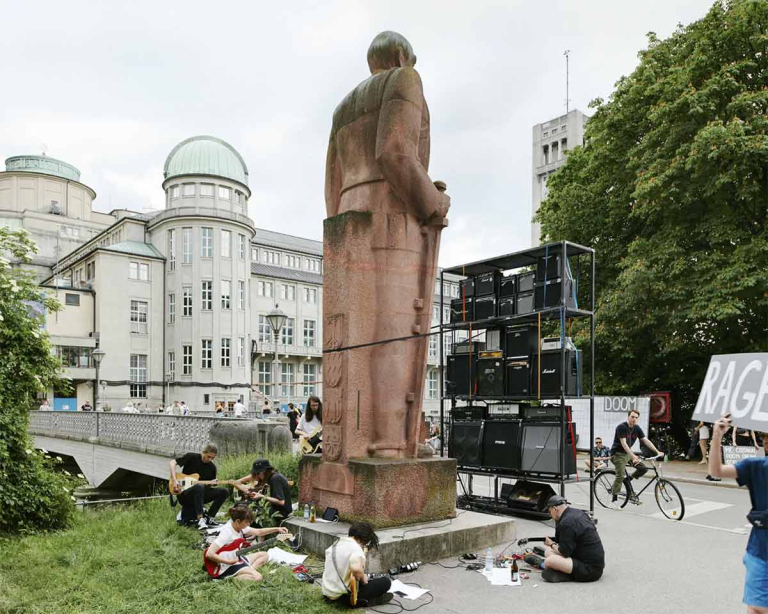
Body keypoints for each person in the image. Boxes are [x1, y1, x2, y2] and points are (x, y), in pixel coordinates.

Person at [709, 415, 768, 614]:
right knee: (757, 608)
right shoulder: (756, 466)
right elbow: (716, 471)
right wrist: (717, 436)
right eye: (765, 437)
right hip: (761, 552)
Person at [524, 495, 605, 583]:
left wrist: (551, 544)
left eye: (549, 511)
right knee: (548, 552)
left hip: (589, 570)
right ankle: (555, 567)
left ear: (555, 509)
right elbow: (567, 541)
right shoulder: (577, 513)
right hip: (590, 561)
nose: (550, 514)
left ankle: (546, 566)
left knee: (549, 561)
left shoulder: (566, 523)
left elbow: (564, 552)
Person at [205, 505, 289, 581]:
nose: (248, 524)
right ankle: (230, 578)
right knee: (258, 577)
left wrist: (277, 529)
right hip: (225, 566)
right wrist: (228, 562)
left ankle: (248, 569)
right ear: (238, 521)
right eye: (247, 522)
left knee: (264, 555)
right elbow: (209, 554)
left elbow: (259, 532)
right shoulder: (227, 533)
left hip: (236, 559)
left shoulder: (240, 527)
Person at [322, 522, 393, 607]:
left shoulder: (335, 544)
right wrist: (363, 578)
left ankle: (366, 600)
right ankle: (364, 601)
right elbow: (356, 569)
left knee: (361, 582)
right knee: (386, 582)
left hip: (327, 593)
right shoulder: (356, 548)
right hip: (343, 597)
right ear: (362, 540)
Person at [609, 408, 662, 510]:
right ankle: (613, 500)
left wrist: (657, 451)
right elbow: (624, 444)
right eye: (632, 417)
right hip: (617, 454)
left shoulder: (636, 428)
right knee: (620, 475)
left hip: (628, 454)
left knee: (643, 468)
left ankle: (627, 480)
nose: (634, 419)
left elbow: (645, 441)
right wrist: (633, 457)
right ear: (628, 417)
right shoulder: (621, 427)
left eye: (636, 417)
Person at [169, 444, 229, 529]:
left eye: (212, 458)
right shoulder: (191, 457)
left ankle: (210, 517)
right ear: (203, 452)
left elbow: (207, 489)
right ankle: (200, 519)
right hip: (184, 494)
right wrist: (175, 480)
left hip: (200, 495)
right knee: (199, 486)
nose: (210, 459)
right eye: (208, 456)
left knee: (224, 491)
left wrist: (211, 484)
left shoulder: (212, 467)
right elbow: (172, 463)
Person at [234, 459, 293, 524]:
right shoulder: (271, 478)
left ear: (263, 471)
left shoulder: (275, 479)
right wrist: (259, 494)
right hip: (274, 508)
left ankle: (245, 530)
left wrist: (262, 496)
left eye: (257, 473)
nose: (257, 476)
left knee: (244, 509)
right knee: (239, 504)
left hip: (280, 512)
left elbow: (281, 502)